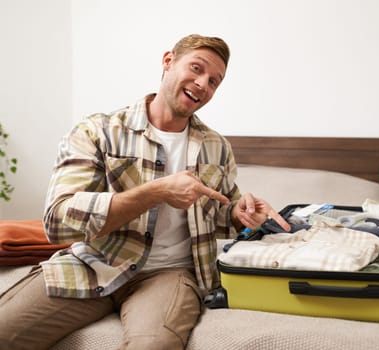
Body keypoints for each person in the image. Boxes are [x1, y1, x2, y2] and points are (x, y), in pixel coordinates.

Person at [0, 34, 291, 350]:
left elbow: (220, 209)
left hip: (168, 275)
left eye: (214, 81)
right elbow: (58, 220)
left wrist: (239, 214)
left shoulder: (216, 147)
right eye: (196, 68)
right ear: (168, 61)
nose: (203, 84)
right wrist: (157, 191)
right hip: (93, 263)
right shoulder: (98, 130)